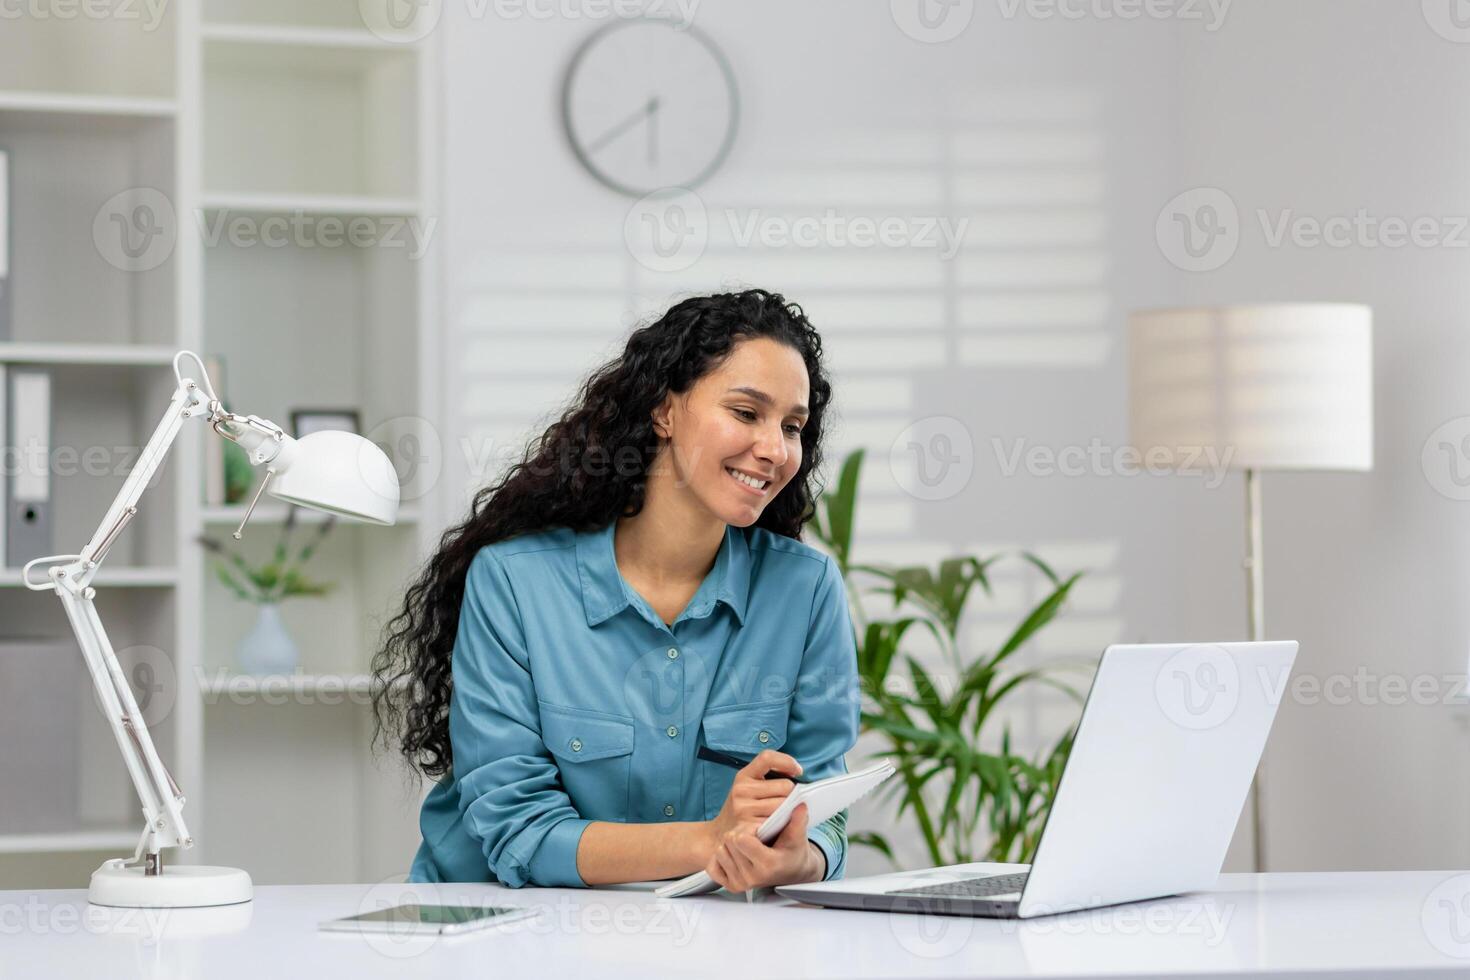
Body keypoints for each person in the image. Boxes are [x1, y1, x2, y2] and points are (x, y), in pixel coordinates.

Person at [371, 289, 860, 892]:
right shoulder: (515, 583)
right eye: (745, 412)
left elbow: (822, 810)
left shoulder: (805, 591)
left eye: (792, 426)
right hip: (500, 931)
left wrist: (797, 859)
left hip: (700, 934)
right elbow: (518, 831)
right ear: (664, 411)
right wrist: (709, 841)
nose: (775, 449)